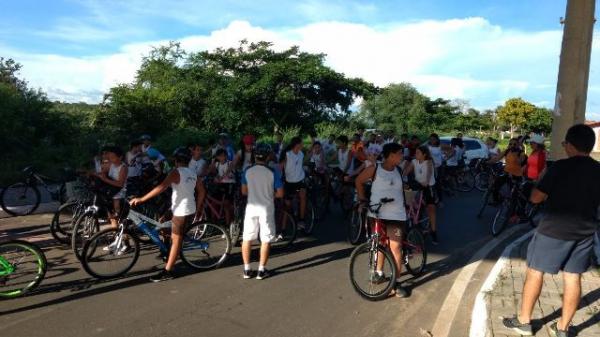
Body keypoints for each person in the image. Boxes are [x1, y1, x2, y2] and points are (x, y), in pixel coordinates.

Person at [502, 124, 600, 337]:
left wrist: (543, 177)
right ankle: (563, 328)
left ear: (571, 146)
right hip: (584, 233)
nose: (564, 147)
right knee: (573, 278)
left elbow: (536, 198)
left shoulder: (559, 168)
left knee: (535, 272)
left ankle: (524, 321)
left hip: (553, 231)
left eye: (565, 143)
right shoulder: (598, 170)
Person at [130, 147, 204, 282]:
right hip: (187, 208)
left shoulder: (176, 172)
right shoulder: (193, 173)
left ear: (176, 161)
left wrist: (141, 199)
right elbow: (201, 192)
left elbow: (161, 187)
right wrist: (198, 209)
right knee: (163, 224)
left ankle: (168, 271)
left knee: (176, 240)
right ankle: (169, 255)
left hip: (181, 211)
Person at [355, 142, 410, 298]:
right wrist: (362, 199)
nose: (402, 156)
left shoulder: (399, 170)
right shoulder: (375, 169)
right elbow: (358, 181)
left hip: (397, 215)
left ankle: (395, 283)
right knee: (380, 244)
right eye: (400, 153)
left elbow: (401, 187)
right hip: (377, 213)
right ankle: (379, 273)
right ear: (391, 155)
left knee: (396, 247)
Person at [240, 143, 284, 280]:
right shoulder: (272, 172)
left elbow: (244, 191)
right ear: (268, 157)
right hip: (266, 208)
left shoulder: (247, 170)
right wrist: (269, 194)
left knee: (247, 238)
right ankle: (261, 270)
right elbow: (280, 194)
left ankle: (247, 269)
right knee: (265, 239)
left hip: (251, 207)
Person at [404, 146, 438, 244]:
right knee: (407, 201)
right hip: (417, 185)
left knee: (431, 208)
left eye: (418, 153)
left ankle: (433, 231)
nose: (416, 154)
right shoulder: (414, 161)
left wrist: (426, 182)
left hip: (428, 186)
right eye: (416, 152)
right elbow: (406, 172)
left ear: (424, 154)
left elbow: (429, 172)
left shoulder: (429, 162)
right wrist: (401, 175)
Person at [94, 146, 128, 230]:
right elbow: (101, 173)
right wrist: (90, 173)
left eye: (113, 157)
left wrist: (105, 179)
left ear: (120, 157)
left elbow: (120, 184)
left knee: (117, 211)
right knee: (110, 214)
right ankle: (115, 230)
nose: (110, 159)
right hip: (111, 189)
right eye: (110, 157)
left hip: (120, 191)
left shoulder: (123, 167)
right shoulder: (111, 164)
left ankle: (121, 230)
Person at [489, 138, 527, 205]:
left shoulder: (521, 153)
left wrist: (516, 153)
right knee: (495, 185)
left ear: (518, 145)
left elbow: (520, 162)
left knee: (514, 194)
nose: (512, 145)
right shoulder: (507, 151)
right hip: (507, 173)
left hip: (516, 176)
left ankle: (516, 208)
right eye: (510, 144)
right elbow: (497, 158)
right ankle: (496, 200)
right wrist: (487, 162)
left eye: (514, 144)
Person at [281, 137, 307, 229]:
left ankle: (302, 219)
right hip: (289, 182)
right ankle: (283, 229)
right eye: (302, 143)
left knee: (303, 196)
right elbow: (281, 167)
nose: (303, 145)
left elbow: (301, 165)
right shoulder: (287, 154)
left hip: (300, 180)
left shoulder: (301, 154)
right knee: (287, 205)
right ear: (297, 144)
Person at [209, 149, 235, 226]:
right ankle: (213, 223)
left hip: (229, 185)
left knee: (226, 205)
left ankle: (228, 225)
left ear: (226, 156)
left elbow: (232, 174)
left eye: (224, 155)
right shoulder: (217, 164)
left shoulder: (230, 164)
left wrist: (226, 176)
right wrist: (213, 162)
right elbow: (211, 171)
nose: (222, 157)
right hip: (219, 185)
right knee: (213, 203)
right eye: (220, 156)